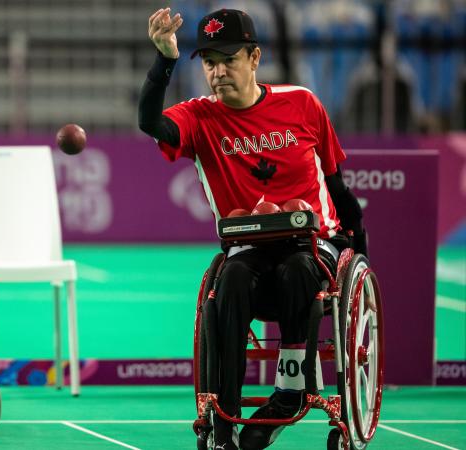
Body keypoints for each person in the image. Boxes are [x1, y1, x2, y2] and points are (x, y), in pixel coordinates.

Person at [139, 8, 367, 450]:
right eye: (209, 62)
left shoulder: (302, 102)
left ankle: (288, 393)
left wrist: (359, 248)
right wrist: (165, 59)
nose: (218, 71)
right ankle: (224, 417)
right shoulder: (198, 117)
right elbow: (151, 123)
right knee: (234, 278)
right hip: (247, 250)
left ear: (255, 57)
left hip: (313, 247)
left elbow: (337, 186)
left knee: (299, 269)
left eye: (228, 59)